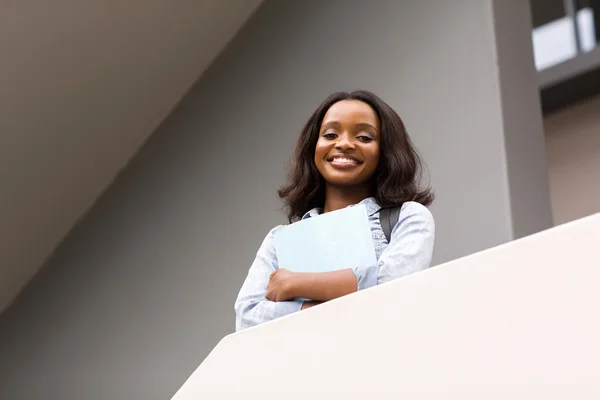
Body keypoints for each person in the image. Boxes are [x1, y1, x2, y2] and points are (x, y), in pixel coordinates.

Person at [234, 90, 435, 332]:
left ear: (385, 151)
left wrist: (296, 284)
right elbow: (247, 317)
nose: (344, 144)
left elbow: (394, 286)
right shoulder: (279, 239)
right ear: (314, 148)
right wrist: (338, 301)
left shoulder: (408, 217)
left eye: (363, 137)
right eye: (330, 134)